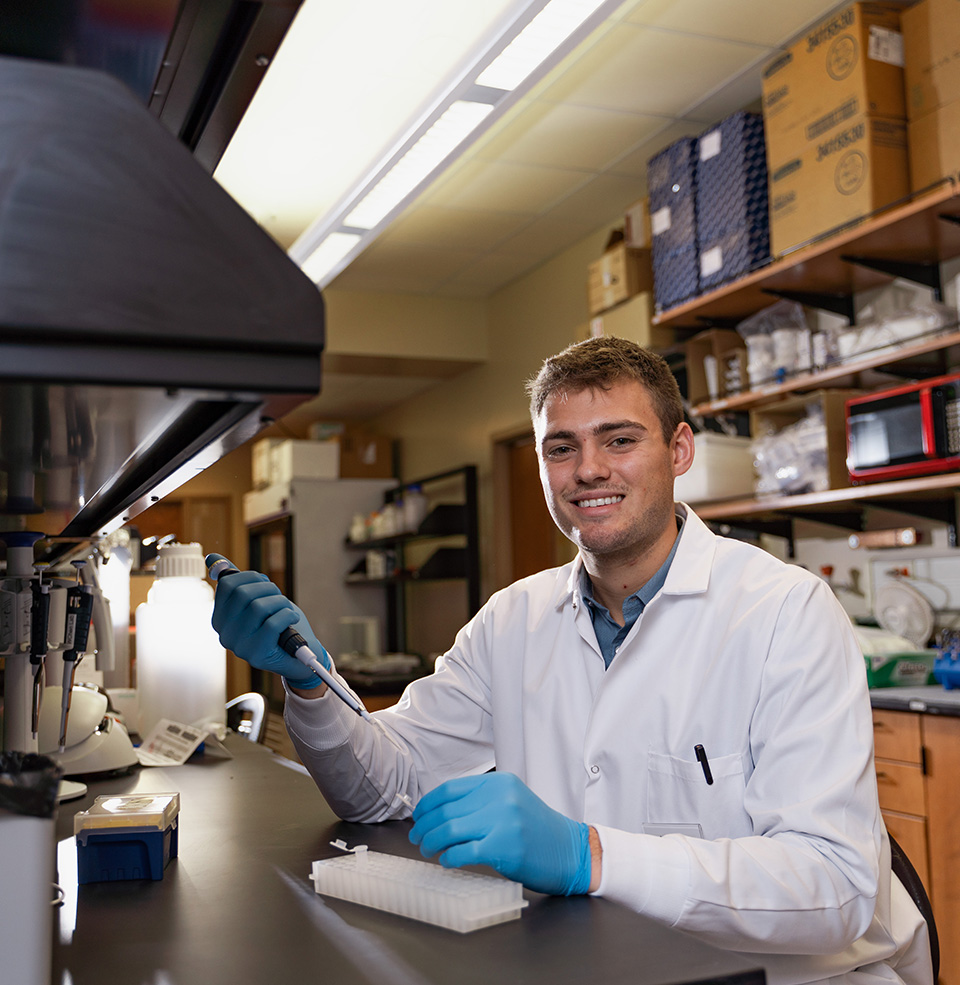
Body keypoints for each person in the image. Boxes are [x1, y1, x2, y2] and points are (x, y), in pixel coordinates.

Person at [210, 336, 930, 985]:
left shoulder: (785, 613)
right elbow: (382, 786)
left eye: (619, 439)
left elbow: (832, 887)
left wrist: (591, 854)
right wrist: (308, 679)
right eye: (561, 447)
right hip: (592, 963)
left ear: (679, 450)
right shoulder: (512, 619)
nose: (588, 470)